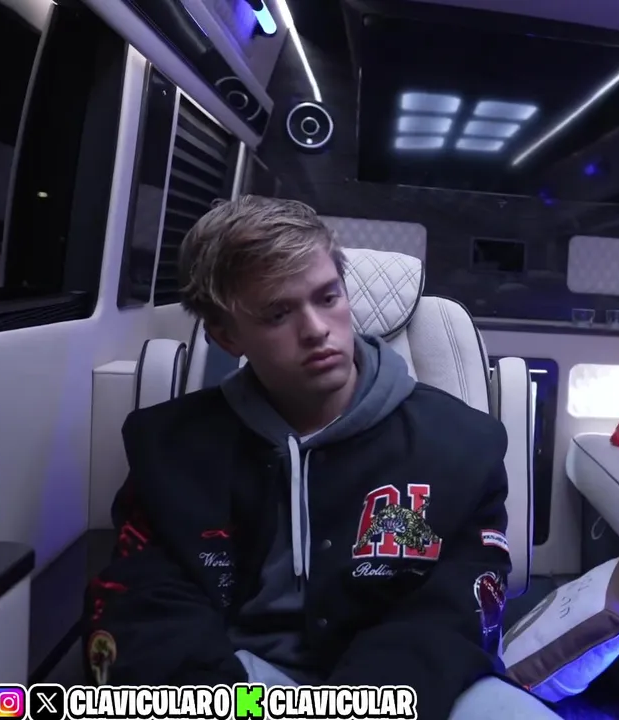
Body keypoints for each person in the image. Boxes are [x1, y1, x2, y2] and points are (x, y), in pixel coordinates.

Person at [84, 196, 558, 719]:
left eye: (328, 297)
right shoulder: (170, 450)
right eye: (278, 314)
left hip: (410, 688)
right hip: (242, 684)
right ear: (226, 335)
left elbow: (455, 611)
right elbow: (145, 602)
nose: (315, 329)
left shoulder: (463, 443)